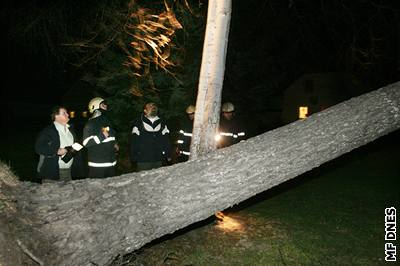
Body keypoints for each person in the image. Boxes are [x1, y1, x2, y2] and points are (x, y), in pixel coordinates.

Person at [35, 106, 84, 183]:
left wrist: (77, 147)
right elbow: (39, 147)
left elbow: (74, 147)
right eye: (64, 113)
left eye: (67, 113)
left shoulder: (70, 131)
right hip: (52, 173)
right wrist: (56, 151)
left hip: (68, 171)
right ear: (56, 116)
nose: (67, 115)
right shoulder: (49, 131)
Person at [83, 97, 119, 178]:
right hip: (98, 166)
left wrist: (115, 143)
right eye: (103, 104)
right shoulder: (91, 123)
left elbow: (111, 135)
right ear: (95, 106)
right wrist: (102, 136)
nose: (106, 106)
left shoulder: (107, 120)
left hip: (111, 163)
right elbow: (85, 143)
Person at [130, 102, 171, 171]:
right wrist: (134, 156)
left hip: (158, 158)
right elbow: (134, 141)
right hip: (143, 160)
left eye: (154, 106)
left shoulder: (162, 123)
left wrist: (168, 154)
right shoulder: (138, 123)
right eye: (150, 107)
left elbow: (166, 140)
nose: (153, 108)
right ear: (145, 110)